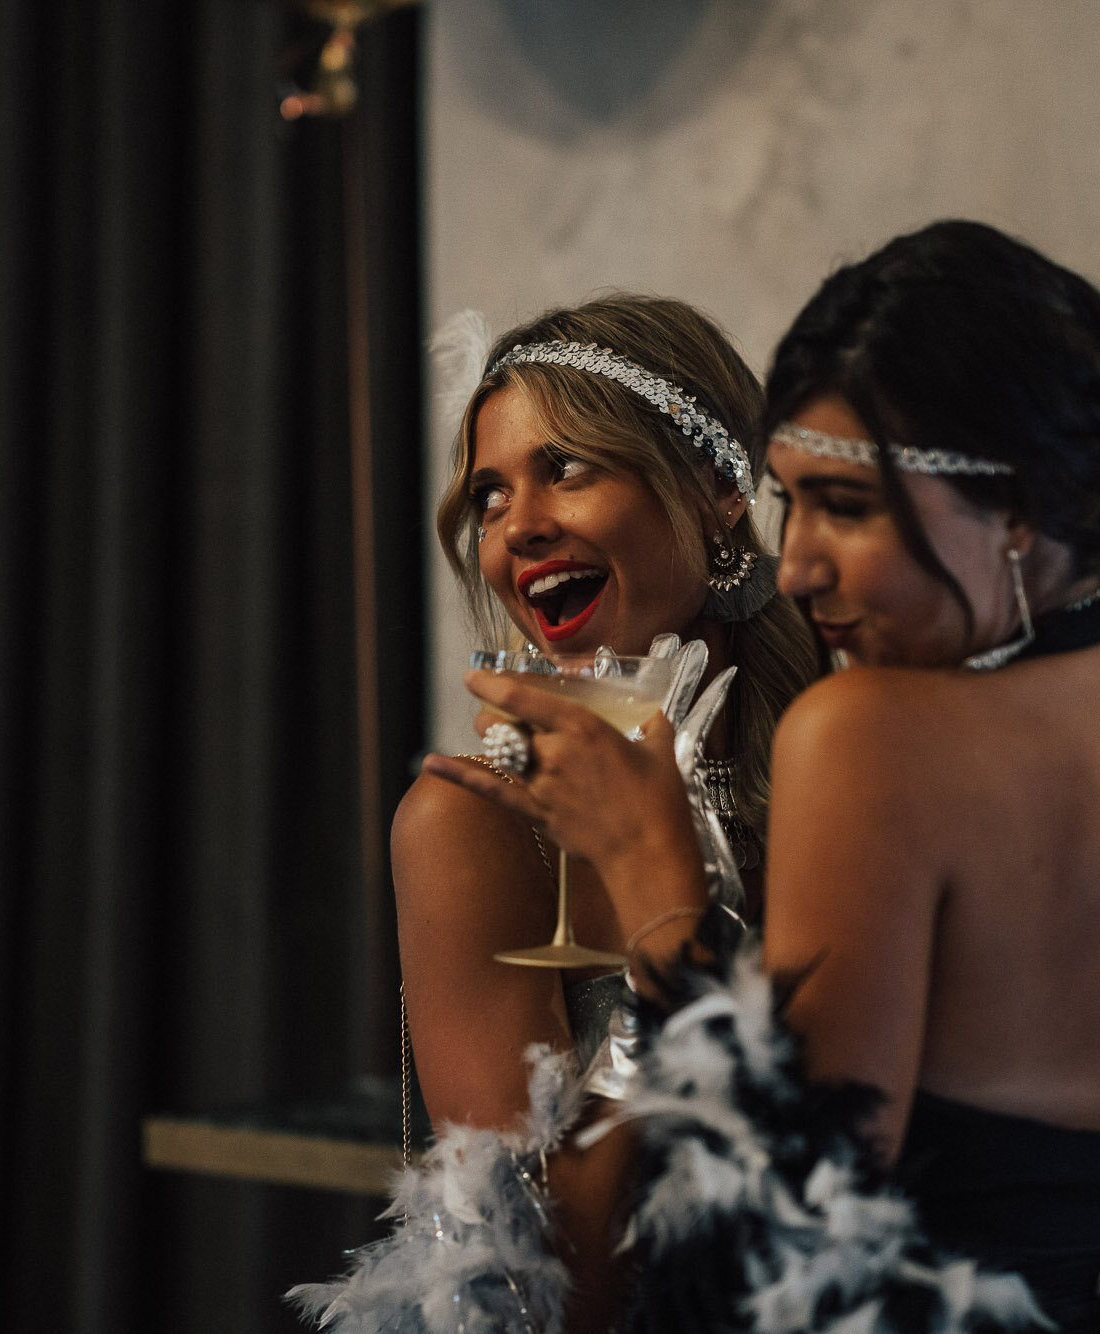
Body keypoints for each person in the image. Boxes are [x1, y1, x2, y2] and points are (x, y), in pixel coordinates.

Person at [437, 222, 1100, 1333]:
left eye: (850, 506)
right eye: (790, 501)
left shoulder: (864, 735)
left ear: (1018, 507)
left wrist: (652, 874)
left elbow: (778, 1238)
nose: (802, 562)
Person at [376, 296, 816, 1332]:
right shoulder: (473, 823)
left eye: (566, 467)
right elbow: (535, 1279)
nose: (517, 526)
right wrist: (671, 924)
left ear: (716, 489)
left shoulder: (845, 754)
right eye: (488, 494)